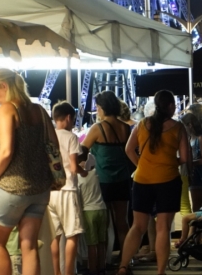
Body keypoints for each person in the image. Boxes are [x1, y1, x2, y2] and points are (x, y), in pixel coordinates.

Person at [0, 68, 57, 275]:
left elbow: (6, 151)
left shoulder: (7, 108)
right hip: (40, 188)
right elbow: (53, 146)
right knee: (30, 245)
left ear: (4, 86)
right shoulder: (40, 111)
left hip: (13, 187)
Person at [117, 90, 190, 275]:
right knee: (163, 227)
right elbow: (185, 157)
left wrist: (141, 164)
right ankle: (160, 271)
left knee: (138, 226)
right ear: (171, 106)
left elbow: (128, 149)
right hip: (168, 180)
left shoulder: (142, 124)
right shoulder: (178, 127)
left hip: (142, 180)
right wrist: (170, 162)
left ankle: (123, 266)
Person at [81, 90, 133, 263]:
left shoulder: (98, 128)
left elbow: (82, 151)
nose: (96, 110)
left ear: (102, 107)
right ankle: (125, 262)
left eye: (97, 106)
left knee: (104, 225)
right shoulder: (125, 127)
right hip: (123, 179)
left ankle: (102, 262)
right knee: (122, 223)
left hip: (103, 181)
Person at [49, 101, 86, 275]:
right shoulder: (71, 137)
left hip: (51, 191)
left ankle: (57, 272)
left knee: (55, 236)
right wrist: (84, 172)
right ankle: (69, 272)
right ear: (69, 117)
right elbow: (73, 166)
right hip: (68, 189)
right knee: (72, 235)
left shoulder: (48, 137)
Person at [78, 150, 107, 275]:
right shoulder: (96, 174)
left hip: (88, 212)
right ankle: (102, 267)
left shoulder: (78, 179)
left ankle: (92, 269)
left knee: (91, 244)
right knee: (101, 242)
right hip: (102, 209)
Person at [180, 113, 202, 212]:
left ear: (189, 125)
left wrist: (190, 162)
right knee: (196, 203)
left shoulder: (199, 138)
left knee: (198, 204)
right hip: (193, 172)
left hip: (198, 174)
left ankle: (197, 226)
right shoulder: (189, 138)